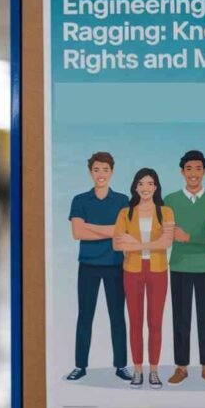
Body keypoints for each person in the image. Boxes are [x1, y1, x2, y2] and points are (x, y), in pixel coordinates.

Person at [65, 152, 131, 383]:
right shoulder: (80, 200)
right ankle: (80, 365)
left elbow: (123, 232)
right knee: (85, 316)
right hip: (88, 266)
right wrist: (110, 229)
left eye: (105, 170)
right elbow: (77, 232)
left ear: (112, 172)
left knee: (117, 316)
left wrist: (91, 227)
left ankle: (121, 365)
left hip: (115, 265)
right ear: (90, 172)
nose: (100, 174)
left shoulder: (123, 200)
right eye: (96, 170)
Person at [163, 150, 205, 387]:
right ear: (182, 172)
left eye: (198, 168)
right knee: (181, 318)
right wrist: (177, 236)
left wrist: (188, 237)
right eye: (189, 169)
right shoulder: (170, 200)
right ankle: (181, 367)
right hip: (178, 265)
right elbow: (167, 233)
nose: (193, 173)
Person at [113, 168, 174, 389]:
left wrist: (136, 244)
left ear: (156, 187)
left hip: (158, 270)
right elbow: (118, 244)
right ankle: (138, 369)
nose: (145, 188)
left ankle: (154, 371)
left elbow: (166, 243)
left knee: (155, 322)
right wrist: (146, 244)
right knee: (135, 322)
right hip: (132, 270)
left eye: (150, 183)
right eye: (141, 183)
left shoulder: (166, 212)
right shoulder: (125, 213)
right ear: (135, 187)